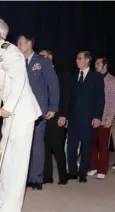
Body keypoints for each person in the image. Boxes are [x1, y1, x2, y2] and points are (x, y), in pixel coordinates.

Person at [0, 17, 42, 212]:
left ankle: (12, 206)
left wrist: (9, 107)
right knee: (5, 157)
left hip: (20, 112)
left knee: (18, 161)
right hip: (9, 112)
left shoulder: (11, 52)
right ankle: (2, 197)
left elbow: (20, 80)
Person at [17, 35, 59, 190]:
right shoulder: (18, 62)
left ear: (29, 44)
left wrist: (53, 107)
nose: (18, 45)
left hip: (38, 110)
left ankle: (37, 178)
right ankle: (25, 176)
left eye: (20, 42)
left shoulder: (42, 61)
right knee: (23, 144)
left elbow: (53, 84)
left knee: (37, 144)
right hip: (21, 109)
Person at [66, 51, 105, 183]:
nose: (76, 61)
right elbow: (69, 98)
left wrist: (97, 117)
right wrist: (65, 116)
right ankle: (72, 171)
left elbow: (100, 99)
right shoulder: (73, 75)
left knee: (86, 147)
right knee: (71, 146)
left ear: (87, 60)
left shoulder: (96, 77)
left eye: (79, 58)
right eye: (77, 58)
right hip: (73, 118)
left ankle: (82, 172)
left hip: (88, 118)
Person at [39, 50, 69, 185]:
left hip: (57, 116)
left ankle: (63, 176)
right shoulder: (38, 74)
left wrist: (63, 115)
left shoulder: (61, 75)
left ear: (50, 58)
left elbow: (65, 97)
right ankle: (47, 176)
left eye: (44, 56)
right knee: (44, 148)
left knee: (58, 148)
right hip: (42, 117)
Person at [87, 58, 115, 179]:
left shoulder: (112, 80)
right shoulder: (94, 78)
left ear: (105, 65)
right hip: (93, 117)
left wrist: (109, 119)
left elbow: (114, 101)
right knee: (92, 144)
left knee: (103, 145)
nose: (95, 65)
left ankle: (102, 169)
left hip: (105, 118)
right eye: (95, 63)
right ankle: (93, 167)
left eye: (98, 64)